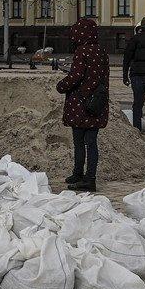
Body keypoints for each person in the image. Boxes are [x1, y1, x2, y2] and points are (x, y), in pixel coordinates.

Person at [56, 18, 109, 192]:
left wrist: (61, 86)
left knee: (79, 142)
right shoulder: (101, 51)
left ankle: (81, 175)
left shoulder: (82, 51)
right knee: (92, 142)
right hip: (97, 103)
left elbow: (76, 76)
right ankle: (88, 176)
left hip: (80, 104)